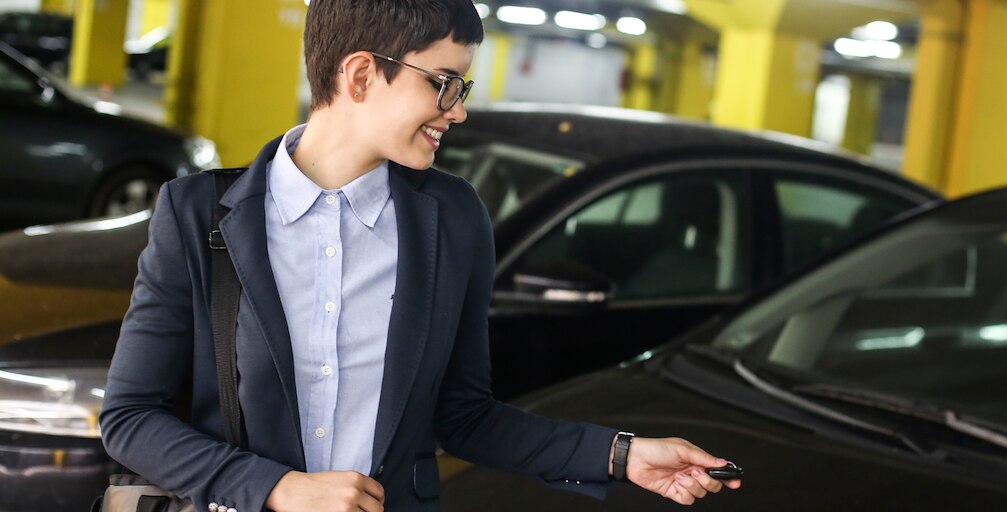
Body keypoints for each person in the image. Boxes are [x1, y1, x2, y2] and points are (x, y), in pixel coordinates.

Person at [99, 1, 742, 511]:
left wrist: (621, 455)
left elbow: (466, 417)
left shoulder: (453, 219)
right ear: (359, 76)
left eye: (461, 86)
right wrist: (276, 488)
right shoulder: (198, 214)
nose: (457, 112)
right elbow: (130, 417)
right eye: (443, 84)